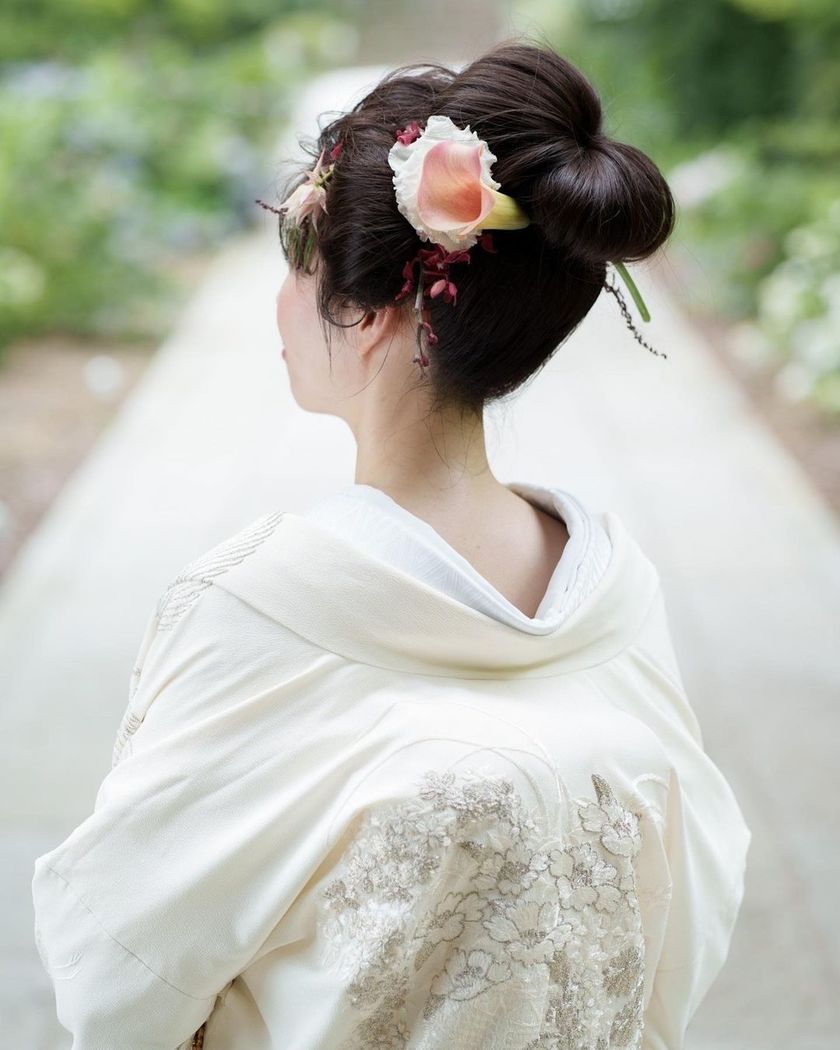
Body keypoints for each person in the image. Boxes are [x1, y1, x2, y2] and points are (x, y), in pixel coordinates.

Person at [31, 38, 751, 1050]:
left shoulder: (258, 608)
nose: (281, 302)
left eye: (296, 258)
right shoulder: (616, 597)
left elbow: (118, 982)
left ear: (369, 312)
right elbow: (692, 922)